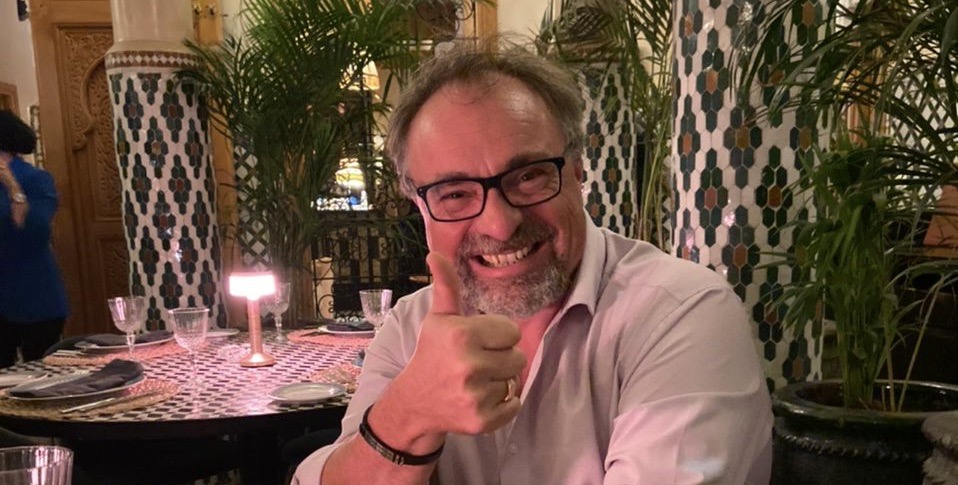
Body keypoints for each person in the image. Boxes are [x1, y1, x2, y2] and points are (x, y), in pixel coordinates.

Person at [293, 43, 772, 484]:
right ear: (420, 207)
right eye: (455, 193)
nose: (500, 225)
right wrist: (407, 415)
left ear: (578, 171)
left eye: (528, 177)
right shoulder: (409, 328)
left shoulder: (682, 313)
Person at [0, 109, 69, 368]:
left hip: (34, 294)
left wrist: (12, 186)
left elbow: (35, 232)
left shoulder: (35, 179)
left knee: (41, 377)